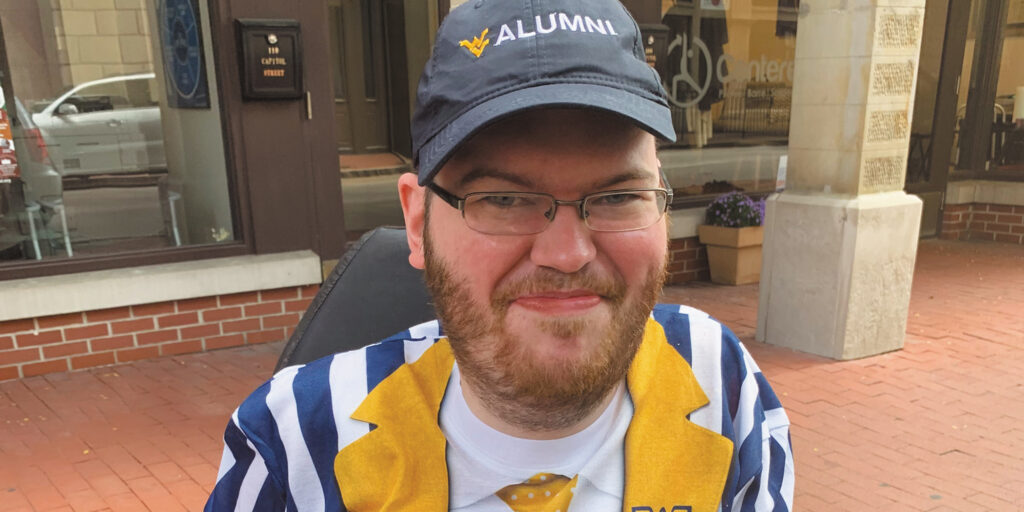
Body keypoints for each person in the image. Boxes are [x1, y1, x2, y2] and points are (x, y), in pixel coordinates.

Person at [205, 0, 794, 510]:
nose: (566, 254)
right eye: (504, 198)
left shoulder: (724, 384)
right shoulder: (293, 443)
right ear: (417, 223)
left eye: (618, 195)